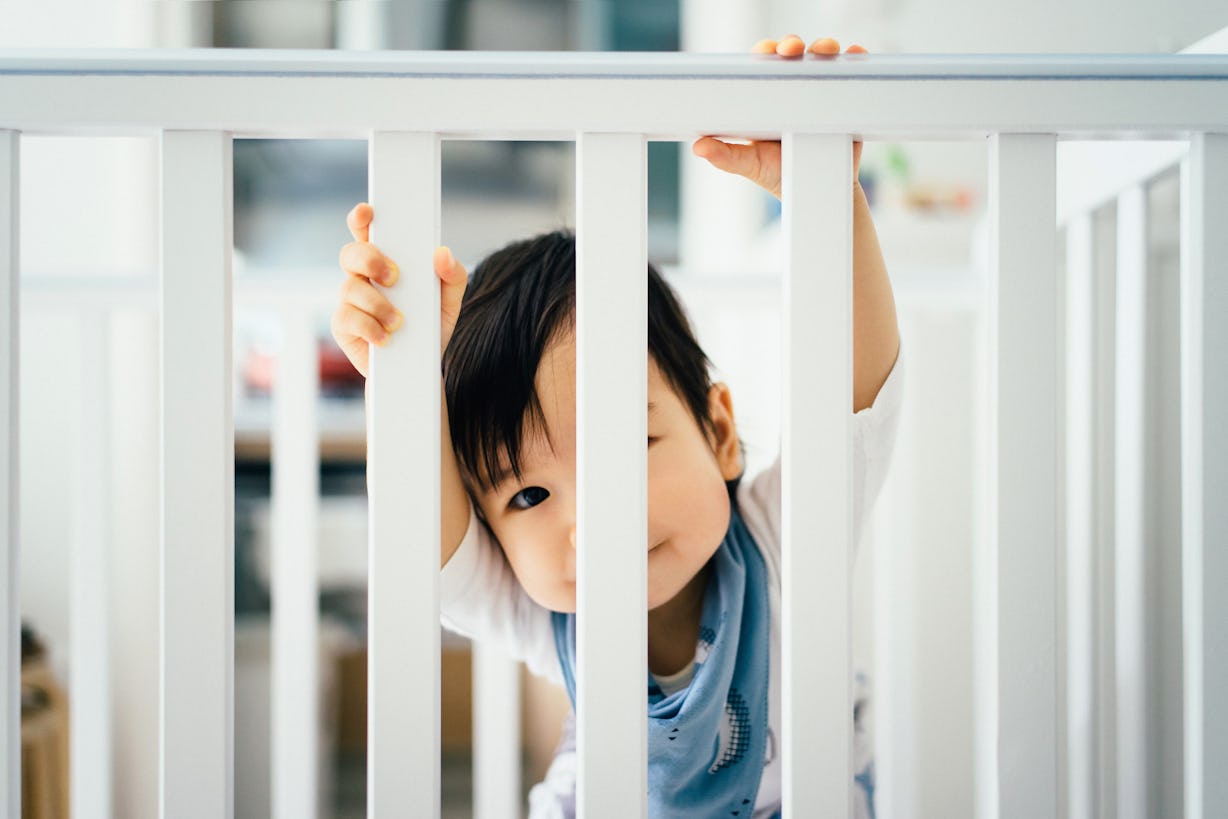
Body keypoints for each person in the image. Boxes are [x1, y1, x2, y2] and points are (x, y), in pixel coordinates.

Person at [332, 34, 901, 819]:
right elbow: (424, 542)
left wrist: (826, 197)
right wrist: (399, 365)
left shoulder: (778, 548)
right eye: (529, 495)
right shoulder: (544, 614)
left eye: (627, 449)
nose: (594, 519)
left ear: (718, 431)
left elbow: (853, 403)